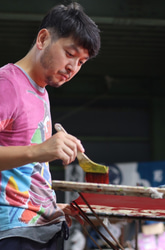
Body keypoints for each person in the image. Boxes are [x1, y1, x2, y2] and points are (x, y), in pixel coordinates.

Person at [0, 2, 100, 250]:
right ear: (43, 38)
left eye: (81, 62)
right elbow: (34, 154)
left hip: (41, 228)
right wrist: (42, 150)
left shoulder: (40, 91)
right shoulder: (8, 84)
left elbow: (26, 173)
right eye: (70, 53)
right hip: (13, 232)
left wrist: (51, 207)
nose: (73, 67)